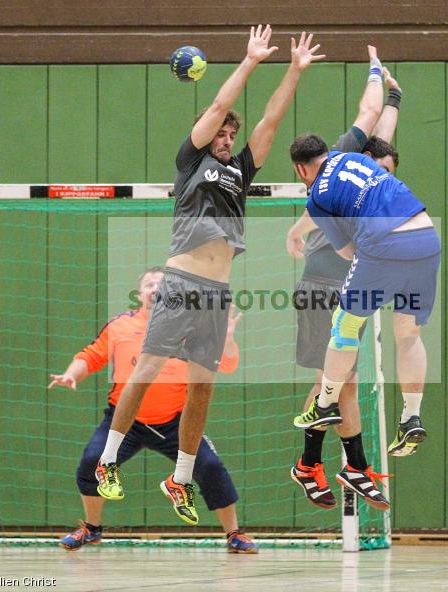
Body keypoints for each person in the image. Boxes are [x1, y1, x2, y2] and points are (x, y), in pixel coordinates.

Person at [95, 26, 325, 526]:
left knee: (202, 388)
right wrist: (250, 61)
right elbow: (220, 107)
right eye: (219, 130)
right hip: (181, 282)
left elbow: (269, 120)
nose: (225, 136)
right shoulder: (191, 160)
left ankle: (180, 479)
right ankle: (107, 461)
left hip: (217, 292)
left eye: (228, 134)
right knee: (147, 369)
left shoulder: (241, 168)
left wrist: (294, 70)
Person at [287, 120, 440, 511]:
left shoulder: (317, 196)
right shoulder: (358, 162)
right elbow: (375, 114)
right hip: (422, 239)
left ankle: (330, 447)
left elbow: (349, 254)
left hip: (372, 256)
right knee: (402, 336)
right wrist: (388, 89)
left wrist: (380, 271)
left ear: (301, 169)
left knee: (343, 357)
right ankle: (408, 418)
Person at [49, 267, 257, 553]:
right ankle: (92, 528)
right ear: (139, 294)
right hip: (124, 422)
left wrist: (229, 340)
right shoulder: (120, 326)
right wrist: (72, 374)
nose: (156, 290)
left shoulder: (192, 329)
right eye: (149, 285)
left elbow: (228, 364)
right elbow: (91, 355)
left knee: (209, 467)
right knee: (91, 464)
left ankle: (234, 534)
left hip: (174, 423)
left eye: (162, 285)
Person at [285, 50, 409, 511]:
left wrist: (393, 91)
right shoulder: (331, 174)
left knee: (336, 385)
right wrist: (375, 69)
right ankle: (345, 466)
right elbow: (369, 114)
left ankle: (314, 464)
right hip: (323, 287)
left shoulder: (368, 176)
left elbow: (380, 125)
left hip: (347, 291)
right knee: (336, 385)